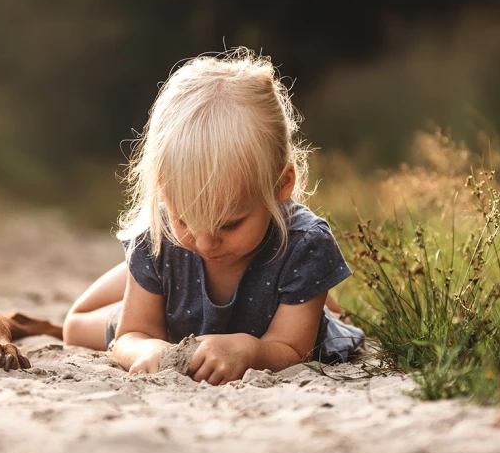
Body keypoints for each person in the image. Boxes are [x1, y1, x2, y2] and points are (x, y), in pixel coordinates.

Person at [62, 50, 363, 385]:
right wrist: (146, 348)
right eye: (185, 220)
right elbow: (131, 334)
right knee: (75, 326)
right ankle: (146, 278)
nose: (205, 243)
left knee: (334, 322)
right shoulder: (160, 236)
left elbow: (293, 349)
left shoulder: (306, 245)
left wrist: (248, 349)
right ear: (163, 191)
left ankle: (323, 305)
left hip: (266, 319)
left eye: (228, 224)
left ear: (281, 184)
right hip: (171, 311)